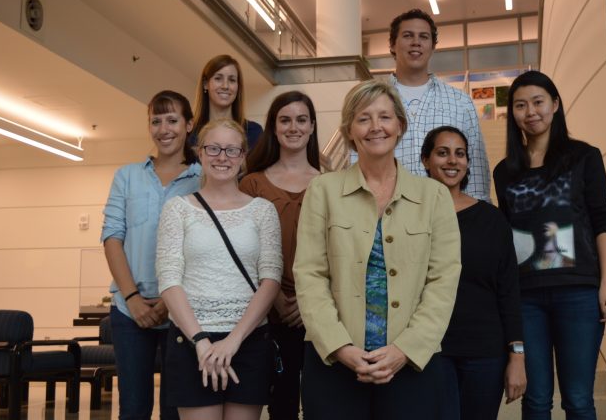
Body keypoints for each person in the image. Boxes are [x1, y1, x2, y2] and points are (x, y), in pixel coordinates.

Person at [294, 80, 461, 420]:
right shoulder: (322, 191)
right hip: (334, 362)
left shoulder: (435, 196)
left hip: (411, 362)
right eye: (363, 118)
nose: (375, 127)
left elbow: (443, 280)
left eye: (384, 117)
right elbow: (310, 273)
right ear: (349, 130)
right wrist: (340, 347)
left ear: (400, 125)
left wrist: (405, 349)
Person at [492, 71, 606, 420]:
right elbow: (508, 236)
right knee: (535, 400)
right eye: (520, 105)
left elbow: (601, 221)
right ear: (512, 113)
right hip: (525, 297)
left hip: (577, 291)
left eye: (538, 102)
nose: (530, 111)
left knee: (578, 399)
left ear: (555, 105)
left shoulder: (584, 157)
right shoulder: (505, 171)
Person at [156, 119, 283, 420]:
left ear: (242, 157)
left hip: (248, 340)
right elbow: (169, 279)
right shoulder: (177, 209)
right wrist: (200, 341)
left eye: (231, 150)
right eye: (213, 148)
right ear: (200, 153)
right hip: (190, 341)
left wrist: (234, 340)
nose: (222, 157)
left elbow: (271, 279)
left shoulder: (263, 211)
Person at [101, 90, 201, 420]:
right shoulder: (127, 176)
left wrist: (169, 302)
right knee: (133, 407)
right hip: (129, 311)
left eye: (172, 120)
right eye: (155, 121)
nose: (163, 129)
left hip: (182, 311)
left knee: (176, 409)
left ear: (188, 125)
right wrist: (131, 297)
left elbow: (204, 246)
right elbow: (113, 237)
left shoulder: (203, 178)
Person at [420, 125, 526, 420]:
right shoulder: (411, 215)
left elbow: (509, 291)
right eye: (442, 153)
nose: (452, 161)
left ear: (468, 162)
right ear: (426, 160)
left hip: (485, 353)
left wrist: (517, 355)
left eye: (460, 154)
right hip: (429, 350)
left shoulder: (491, 219)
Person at [240, 91, 321, 420]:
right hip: (267, 312)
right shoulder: (251, 184)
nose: (293, 127)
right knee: (281, 405)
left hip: (317, 311)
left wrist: (309, 300)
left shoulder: (330, 183)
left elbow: (339, 255)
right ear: (273, 128)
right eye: (285, 120)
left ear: (313, 126)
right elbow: (246, 253)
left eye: (301, 120)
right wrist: (272, 297)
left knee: (320, 403)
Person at [355, 8, 491, 201]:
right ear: (393, 45)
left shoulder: (460, 102)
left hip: (447, 215)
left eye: (424, 37)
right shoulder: (370, 100)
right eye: (408, 35)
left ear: (432, 46)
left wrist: (478, 212)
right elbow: (356, 154)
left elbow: (476, 171)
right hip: (386, 213)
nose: (416, 42)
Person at [191, 54, 263, 150]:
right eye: (218, 78)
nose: (225, 86)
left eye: (232, 80)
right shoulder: (190, 133)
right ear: (205, 84)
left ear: (238, 86)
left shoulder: (253, 132)